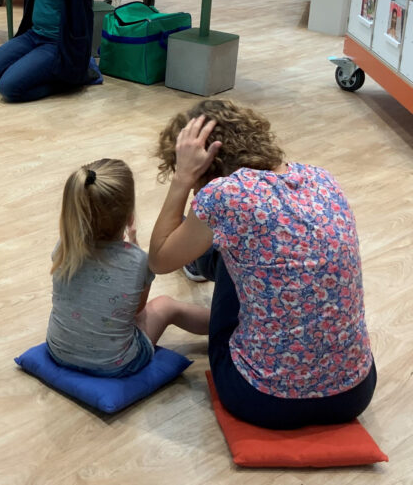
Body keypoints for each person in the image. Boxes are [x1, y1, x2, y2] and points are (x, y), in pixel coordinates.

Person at [148, 100, 376, 430]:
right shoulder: (323, 179)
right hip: (354, 392)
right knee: (253, 243)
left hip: (262, 399)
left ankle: (200, 265)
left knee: (223, 239)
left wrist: (183, 178)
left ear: (206, 163)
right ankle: (203, 264)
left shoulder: (225, 195)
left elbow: (158, 258)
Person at [45, 159, 210, 377]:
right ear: (129, 216)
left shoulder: (64, 247)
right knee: (166, 306)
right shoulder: (138, 261)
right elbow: (137, 311)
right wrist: (134, 248)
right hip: (115, 365)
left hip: (58, 350)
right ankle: (229, 323)